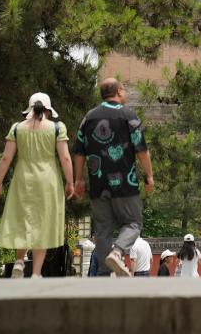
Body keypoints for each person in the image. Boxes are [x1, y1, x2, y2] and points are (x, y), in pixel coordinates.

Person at [72, 78, 155, 278]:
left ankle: (102, 276)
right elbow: (141, 150)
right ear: (118, 91)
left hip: (98, 184)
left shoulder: (88, 118)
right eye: (124, 89)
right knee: (133, 223)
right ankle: (117, 252)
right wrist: (149, 175)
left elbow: (79, 151)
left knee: (102, 230)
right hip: (126, 183)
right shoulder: (128, 116)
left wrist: (79, 179)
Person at [0, 92, 74, 278]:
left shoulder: (17, 128)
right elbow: (65, 158)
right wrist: (70, 182)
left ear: (29, 109)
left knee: (22, 218)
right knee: (43, 223)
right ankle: (36, 273)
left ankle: (19, 261)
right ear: (47, 110)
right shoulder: (56, 128)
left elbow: (6, 158)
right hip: (48, 180)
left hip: (23, 179)